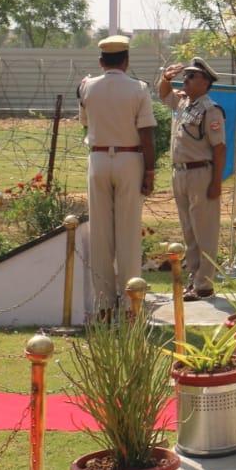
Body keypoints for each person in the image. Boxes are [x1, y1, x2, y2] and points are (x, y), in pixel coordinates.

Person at [78, 35, 157, 320]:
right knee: (128, 234)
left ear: (101, 61)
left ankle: (103, 305)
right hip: (129, 158)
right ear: (126, 60)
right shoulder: (138, 88)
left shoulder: (87, 88)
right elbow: (146, 133)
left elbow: (85, 122)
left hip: (98, 158)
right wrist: (149, 170)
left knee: (100, 233)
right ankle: (130, 303)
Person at [157, 57, 227, 301]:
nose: (184, 80)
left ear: (205, 82)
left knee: (204, 230)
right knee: (189, 230)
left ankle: (204, 284)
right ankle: (195, 278)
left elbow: (219, 148)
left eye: (191, 76)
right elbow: (163, 94)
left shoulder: (210, 109)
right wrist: (166, 77)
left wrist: (216, 182)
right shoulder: (184, 103)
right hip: (180, 172)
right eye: (184, 76)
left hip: (201, 173)